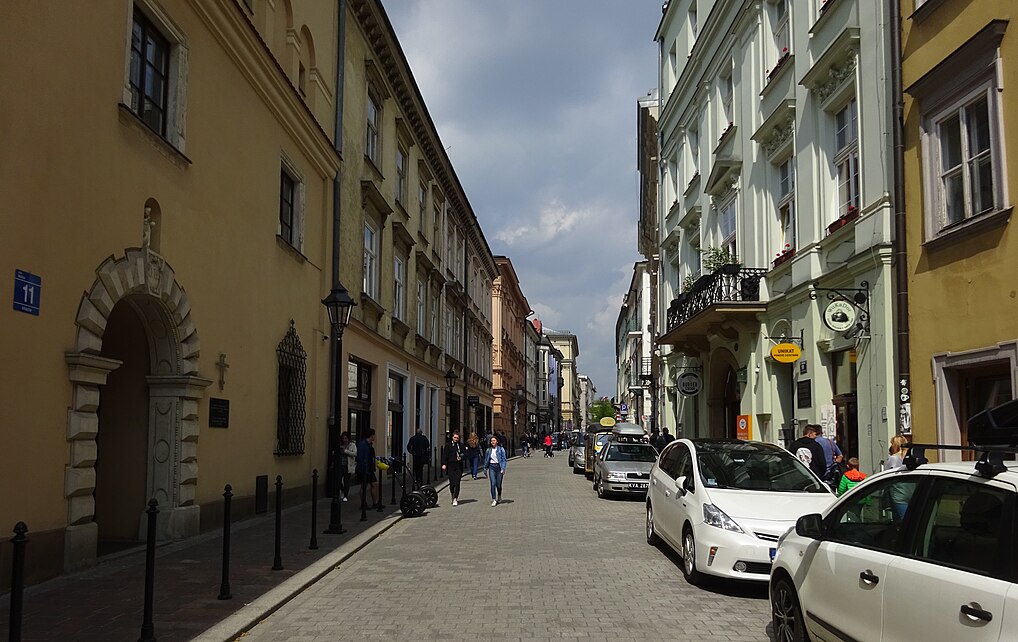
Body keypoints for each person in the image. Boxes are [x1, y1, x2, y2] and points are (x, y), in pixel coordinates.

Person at [355, 429, 384, 514]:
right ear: (371, 435)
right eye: (374, 435)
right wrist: (363, 468)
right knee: (364, 486)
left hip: (369, 469)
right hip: (364, 469)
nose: (375, 436)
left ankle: (375, 502)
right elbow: (360, 457)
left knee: (375, 484)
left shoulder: (369, 445)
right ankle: (364, 503)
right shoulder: (363, 445)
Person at [441, 432, 466, 506]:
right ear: (452, 437)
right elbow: (445, 455)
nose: (456, 439)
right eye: (455, 437)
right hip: (450, 466)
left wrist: (461, 457)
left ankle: (455, 498)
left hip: (458, 466)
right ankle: (452, 494)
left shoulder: (461, 445)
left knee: (457, 483)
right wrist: (444, 464)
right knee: (452, 483)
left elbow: (465, 454)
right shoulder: (448, 445)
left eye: (457, 438)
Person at [483, 434, 508, 506]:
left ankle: (499, 495)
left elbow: (504, 459)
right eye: (491, 441)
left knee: (498, 484)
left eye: (494, 440)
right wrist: (485, 469)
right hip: (492, 467)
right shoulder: (488, 450)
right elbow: (486, 460)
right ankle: (494, 499)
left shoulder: (501, 449)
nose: (492, 442)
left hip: (499, 467)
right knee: (493, 483)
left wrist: (503, 468)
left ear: (497, 441)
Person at [340, 432, 356, 501]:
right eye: (343, 438)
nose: (344, 440)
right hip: (341, 465)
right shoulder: (341, 445)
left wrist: (345, 451)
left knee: (346, 481)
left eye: (346, 438)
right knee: (338, 480)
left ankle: (345, 495)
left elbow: (355, 453)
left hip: (348, 465)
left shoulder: (352, 445)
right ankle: (343, 490)